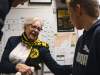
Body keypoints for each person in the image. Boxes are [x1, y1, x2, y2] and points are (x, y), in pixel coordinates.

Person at [0, 16, 72, 75]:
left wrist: (73, 67)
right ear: (25, 27)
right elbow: (2, 65)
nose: (36, 30)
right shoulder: (12, 40)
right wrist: (17, 66)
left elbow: (56, 69)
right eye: (33, 27)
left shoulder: (42, 48)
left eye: (39, 29)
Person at [66, 0, 100, 75]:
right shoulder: (81, 39)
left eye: (69, 13)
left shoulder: (98, 34)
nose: (70, 20)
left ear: (78, 10)